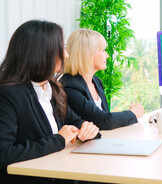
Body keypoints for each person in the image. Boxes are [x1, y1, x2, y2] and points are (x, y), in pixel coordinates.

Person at [0, 20, 100, 184]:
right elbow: (3, 153)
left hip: (62, 173)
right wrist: (58, 140)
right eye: (62, 48)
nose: (66, 55)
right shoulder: (8, 94)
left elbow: (76, 121)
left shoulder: (52, 88)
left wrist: (89, 129)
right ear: (42, 53)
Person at [61, 29, 144, 130]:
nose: (107, 55)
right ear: (87, 54)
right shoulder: (69, 86)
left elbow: (105, 116)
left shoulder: (96, 81)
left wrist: (129, 115)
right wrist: (132, 113)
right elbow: (104, 121)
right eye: (103, 50)